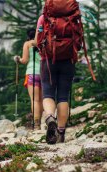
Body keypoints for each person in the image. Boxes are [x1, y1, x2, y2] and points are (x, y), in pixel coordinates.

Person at [33, 14, 75, 144]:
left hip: (48, 60)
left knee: (48, 94)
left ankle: (50, 117)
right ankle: (61, 133)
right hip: (68, 60)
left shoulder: (43, 17)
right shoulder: (72, 16)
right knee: (63, 97)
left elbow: (37, 41)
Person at [14, 29, 43, 130]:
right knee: (43, 99)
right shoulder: (42, 42)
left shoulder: (27, 44)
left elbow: (25, 60)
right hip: (43, 73)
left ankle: (36, 125)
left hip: (31, 73)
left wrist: (18, 59)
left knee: (34, 100)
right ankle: (45, 122)